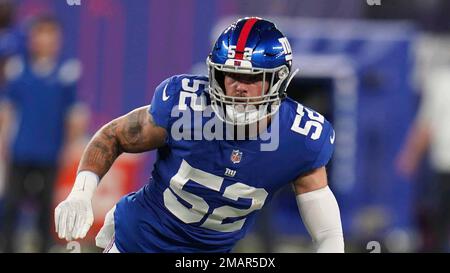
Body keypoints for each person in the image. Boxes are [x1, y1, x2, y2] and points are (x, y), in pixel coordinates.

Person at [54, 17, 344, 253]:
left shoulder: (302, 137)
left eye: (253, 77)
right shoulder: (185, 105)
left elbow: (329, 235)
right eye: (231, 75)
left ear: (278, 79)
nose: (239, 87)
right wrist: (81, 194)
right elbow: (113, 135)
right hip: (139, 243)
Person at [0, 15, 86, 252]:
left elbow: (74, 115)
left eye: (50, 34)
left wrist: (70, 146)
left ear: (58, 39)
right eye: (40, 33)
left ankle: (44, 247)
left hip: (50, 152)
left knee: (46, 208)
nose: (45, 39)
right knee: (12, 205)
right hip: (20, 150)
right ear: (32, 39)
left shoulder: (67, 72)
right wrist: (3, 142)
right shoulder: (17, 69)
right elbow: (7, 109)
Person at [397, 65, 450, 252]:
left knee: (440, 220)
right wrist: (411, 156)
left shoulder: (441, 81)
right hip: (444, 163)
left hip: (444, 164)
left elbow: (425, 127)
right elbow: (426, 127)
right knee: (439, 219)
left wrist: (410, 157)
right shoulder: (441, 81)